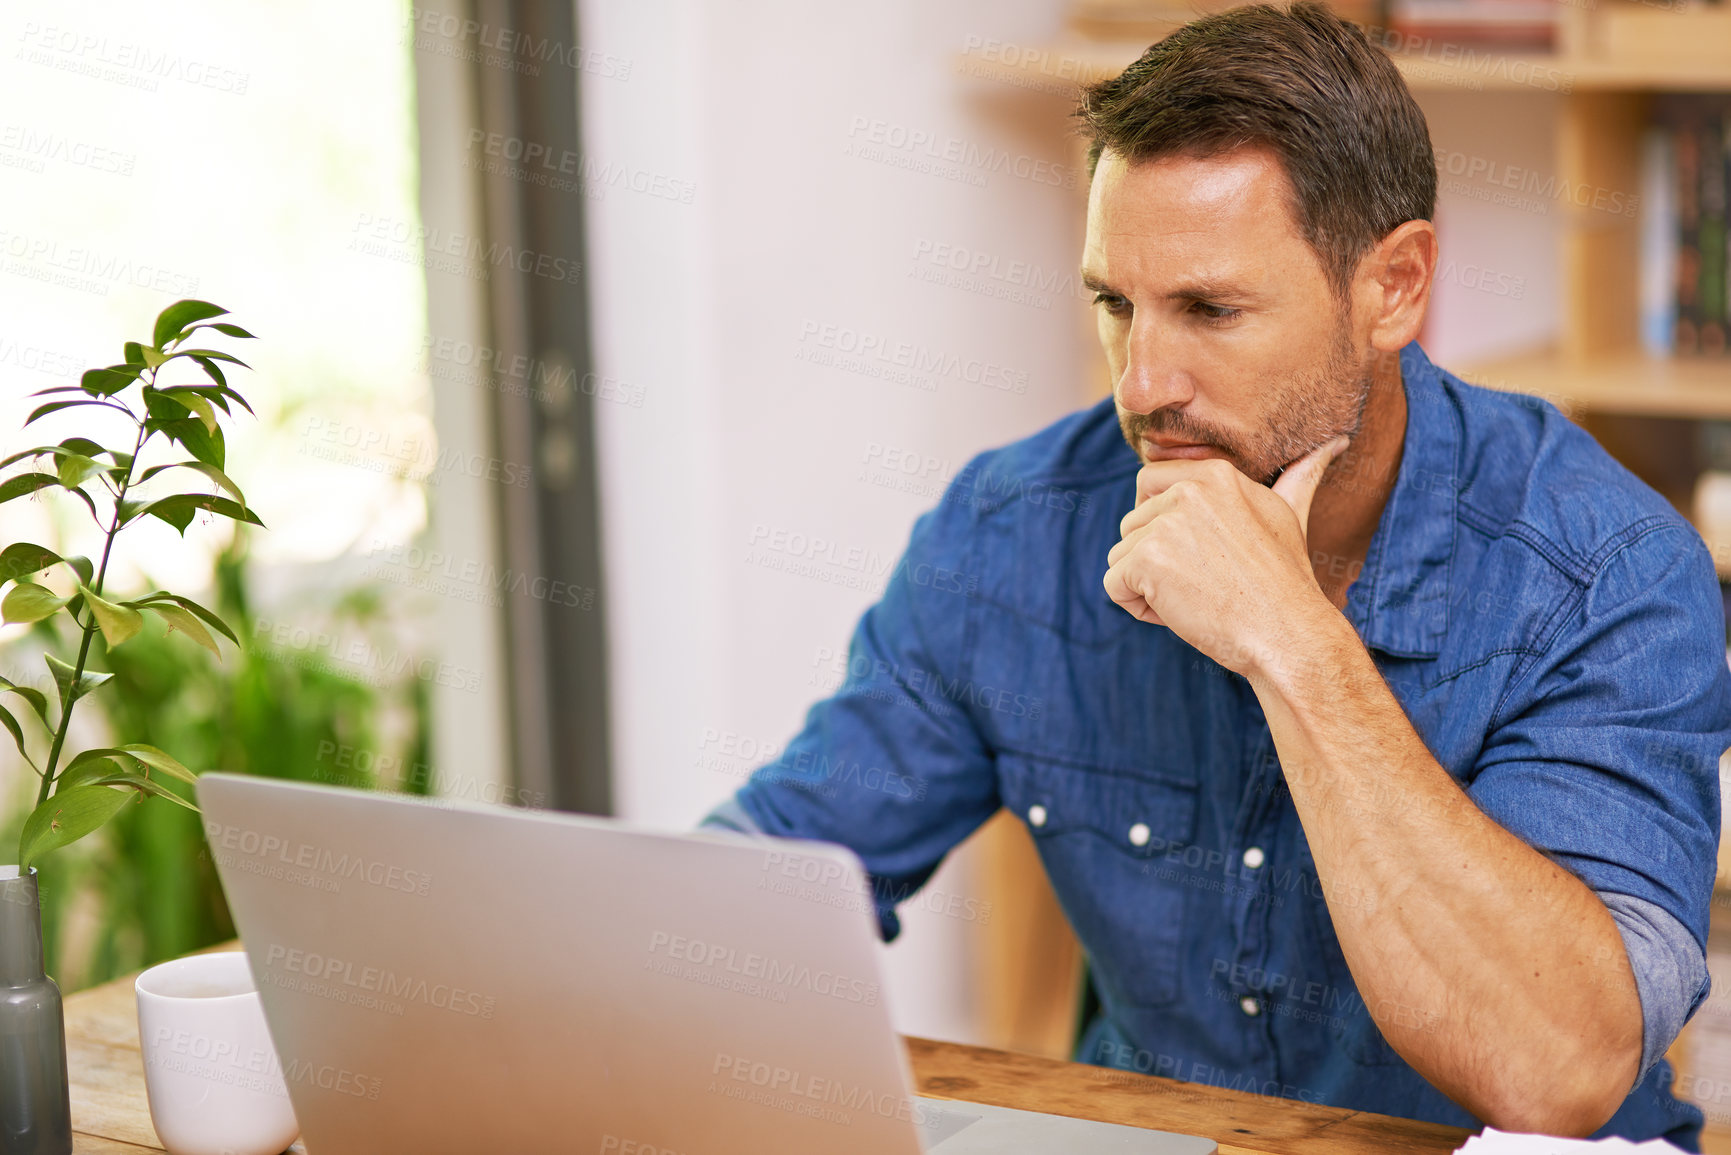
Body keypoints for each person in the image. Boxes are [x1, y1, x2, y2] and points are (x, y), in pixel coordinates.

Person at [703, 2, 1731, 1144]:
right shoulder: (1011, 532)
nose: (1141, 384)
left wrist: (1290, 639)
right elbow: (769, 887)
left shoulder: (1607, 572)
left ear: (1392, 287)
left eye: (1209, 309)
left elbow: (1561, 1069)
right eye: (1115, 304)